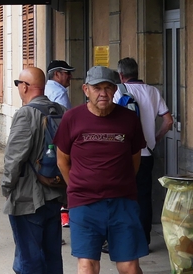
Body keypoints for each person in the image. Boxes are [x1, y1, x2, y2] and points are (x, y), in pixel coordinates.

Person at [54, 66, 147, 273]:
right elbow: (62, 161)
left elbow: (135, 159)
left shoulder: (129, 119)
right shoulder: (72, 118)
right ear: (86, 90)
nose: (102, 93)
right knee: (87, 266)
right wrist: (79, 187)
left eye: (108, 87)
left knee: (129, 267)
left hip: (123, 203)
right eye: (97, 88)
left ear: (115, 90)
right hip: (84, 204)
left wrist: (120, 183)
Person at [2, 67, 66, 274]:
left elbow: (14, 158)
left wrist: (7, 188)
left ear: (25, 86)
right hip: (55, 192)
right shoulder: (60, 111)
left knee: (29, 258)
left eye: (18, 83)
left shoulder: (26, 114)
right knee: (52, 256)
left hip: (27, 197)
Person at [115, 57, 174, 247]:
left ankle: (125, 240)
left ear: (121, 75)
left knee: (122, 197)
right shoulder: (153, 91)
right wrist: (154, 139)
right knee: (144, 197)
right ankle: (144, 241)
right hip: (146, 154)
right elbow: (168, 121)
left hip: (124, 155)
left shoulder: (118, 91)